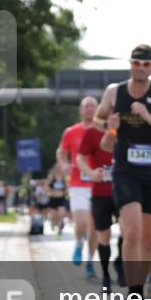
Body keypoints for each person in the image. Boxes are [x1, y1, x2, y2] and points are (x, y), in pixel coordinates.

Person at [94, 44, 151, 300]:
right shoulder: (114, 91)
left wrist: (148, 116)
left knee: (149, 237)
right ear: (130, 64)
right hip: (125, 171)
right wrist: (109, 124)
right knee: (133, 232)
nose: (141, 68)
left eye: (146, 64)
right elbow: (97, 118)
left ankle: (141, 290)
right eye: (137, 63)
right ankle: (133, 294)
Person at [58, 96, 100, 277]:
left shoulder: (104, 130)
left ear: (98, 109)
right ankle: (78, 243)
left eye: (93, 106)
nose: (89, 109)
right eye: (86, 106)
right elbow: (61, 151)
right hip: (78, 183)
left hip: (98, 184)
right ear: (81, 110)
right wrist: (64, 163)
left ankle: (90, 261)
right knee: (81, 222)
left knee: (95, 226)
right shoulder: (71, 131)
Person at [78, 121, 122, 290]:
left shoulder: (126, 126)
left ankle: (120, 262)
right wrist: (91, 172)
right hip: (101, 193)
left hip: (124, 191)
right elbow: (80, 158)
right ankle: (105, 275)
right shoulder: (91, 132)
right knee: (104, 236)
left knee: (128, 231)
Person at [45, 163, 69, 236]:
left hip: (61, 199)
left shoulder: (64, 177)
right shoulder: (51, 177)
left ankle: (59, 230)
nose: (59, 169)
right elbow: (46, 186)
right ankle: (53, 223)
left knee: (60, 214)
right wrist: (52, 191)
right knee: (53, 216)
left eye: (60, 167)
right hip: (53, 199)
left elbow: (67, 187)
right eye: (57, 167)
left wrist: (63, 192)